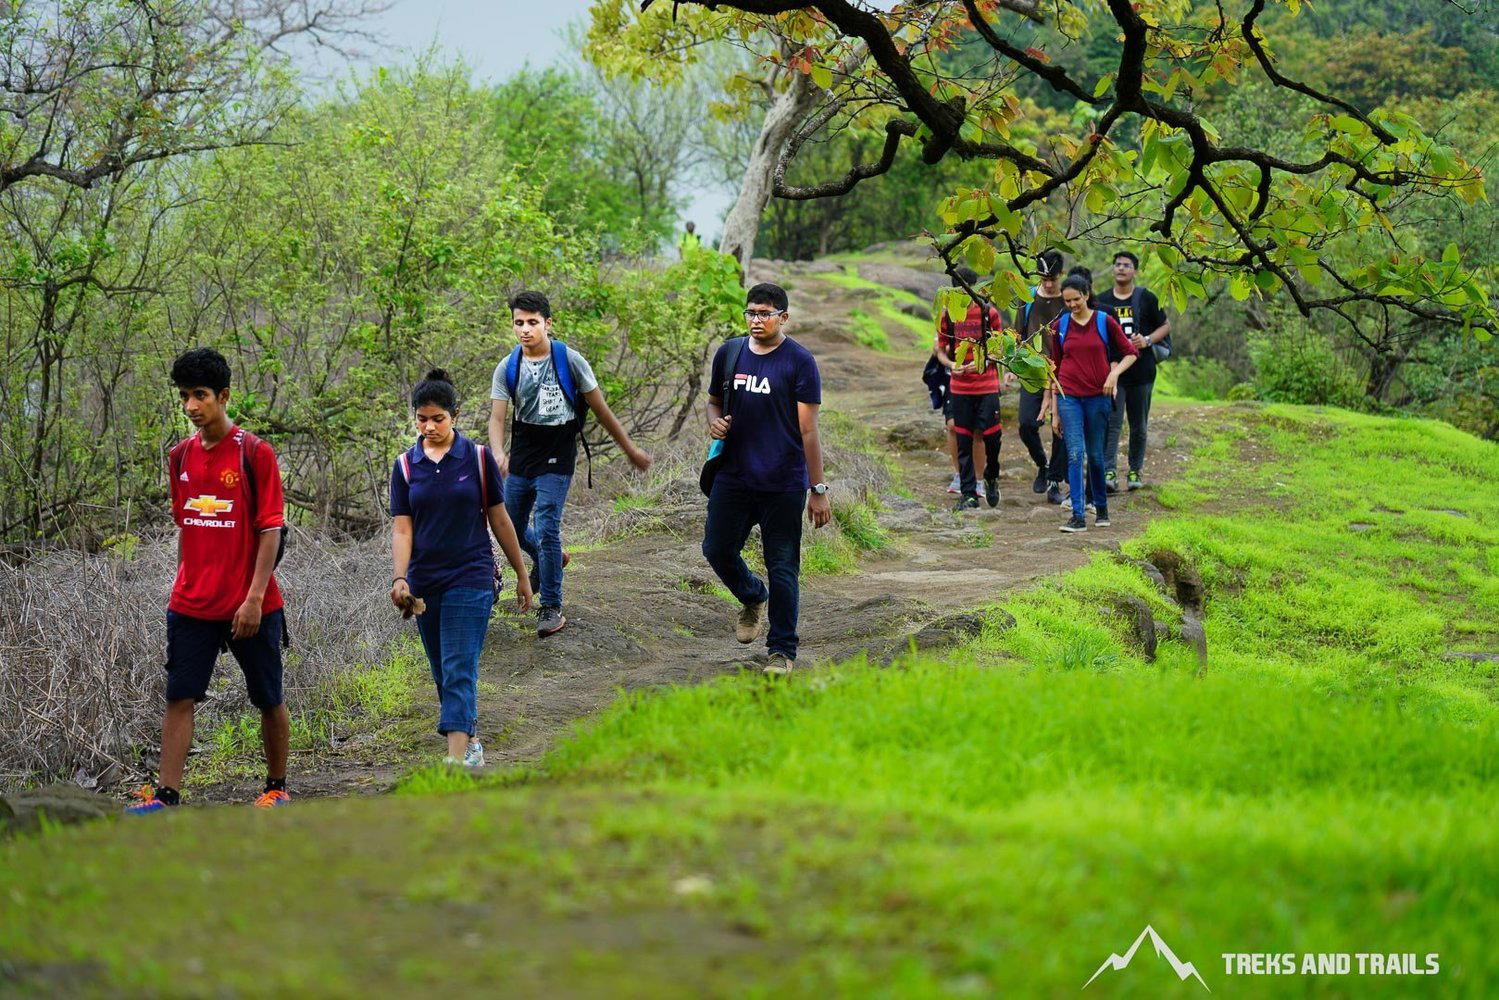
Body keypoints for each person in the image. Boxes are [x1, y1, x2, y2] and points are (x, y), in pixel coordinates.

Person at [129, 348, 291, 813]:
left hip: (251, 602)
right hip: (192, 603)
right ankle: (166, 795)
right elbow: (187, 527)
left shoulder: (254, 453)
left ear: (223, 396)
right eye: (184, 397)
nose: (191, 407)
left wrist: (254, 598)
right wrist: (183, 583)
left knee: (268, 696)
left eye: (199, 396)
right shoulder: (179, 456)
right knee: (180, 695)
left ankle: (277, 786)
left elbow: (270, 530)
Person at [488, 290, 651, 637]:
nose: (526, 329)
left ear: (548, 323)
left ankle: (551, 605)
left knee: (547, 525)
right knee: (510, 527)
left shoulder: (570, 361)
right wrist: (498, 451)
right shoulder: (509, 366)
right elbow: (497, 418)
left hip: (558, 452)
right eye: (519, 323)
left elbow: (602, 411)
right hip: (524, 453)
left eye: (533, 322)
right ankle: (551, 558)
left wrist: (630, 449)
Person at [392, 370, 532, 768]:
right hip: (424, 582)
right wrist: (400, 578)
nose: (429, 426)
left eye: (438, 418)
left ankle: (454, 762)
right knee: (442, 669)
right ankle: (470, 742)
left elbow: (500, 520)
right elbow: (403, 529)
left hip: (470, 576)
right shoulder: (405, 466)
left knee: (458, 664)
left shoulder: (477, 458)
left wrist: (521, 573)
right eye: (422, 418)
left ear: (455, 415)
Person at [702, 282, 831, 677]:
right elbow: (713, 402)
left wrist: (818, 489)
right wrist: (714, 423)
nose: (756, 320)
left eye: (765, 314)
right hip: (734, 476)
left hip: (783, 482)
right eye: (751, 313)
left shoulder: (799, 362)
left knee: (783, 566)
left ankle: (781, 652)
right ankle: (753, 596)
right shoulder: (730, 353)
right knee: (716, 549)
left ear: (783, 318)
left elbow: (809, 431)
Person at [1051, 274, 1138, 532]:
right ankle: (1078, 515)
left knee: (1096, 456)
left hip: (1097, 398)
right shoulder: (1061, 325)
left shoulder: (1104, 321)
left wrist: (1114, 373)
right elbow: (1054, 368)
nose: (1072, 305)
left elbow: (1131, 353)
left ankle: (1101, 508)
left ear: (1086, 295)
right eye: (1067, 301)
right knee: (1075, 454)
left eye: (1076, 299)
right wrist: (1055, 411)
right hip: (1069, 397)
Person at [1097, 251, 1170, 492]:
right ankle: (1109, 471)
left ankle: (1135, 470)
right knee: (1111, 423)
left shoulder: (1146, 297)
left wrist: (1147, 340)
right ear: (1112, 269)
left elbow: (1166, 325)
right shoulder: (1101, 300)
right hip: (1112, 372)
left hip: (1142, 372)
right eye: (1117, 264)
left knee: (1139, 425)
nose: (1121, 269)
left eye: (1126, 265)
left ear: (1135, 271)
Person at [934, 267, 1006, 511]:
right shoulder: (948, 317)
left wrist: (984, 362)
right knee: (963, 438)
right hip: (960, 387)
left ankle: (992, 475)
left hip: (986, 385)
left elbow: (998, 348)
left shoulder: (989, 313)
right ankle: (968, 494)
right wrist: (952, 364)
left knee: (992, 437)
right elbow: (941, 351)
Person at [1015, 249, 1069, 502]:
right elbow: (1016, 335)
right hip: (1033, 371)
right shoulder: (1027, 298)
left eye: (1053, 278)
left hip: (1064, 371)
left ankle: (1055, 481)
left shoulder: (1069, 300)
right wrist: (1010, 368)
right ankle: (1042, 464)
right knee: (1026, 425)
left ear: (1061, 275)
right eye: (1044, 277)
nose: (1048, 283)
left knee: (1061, 428)